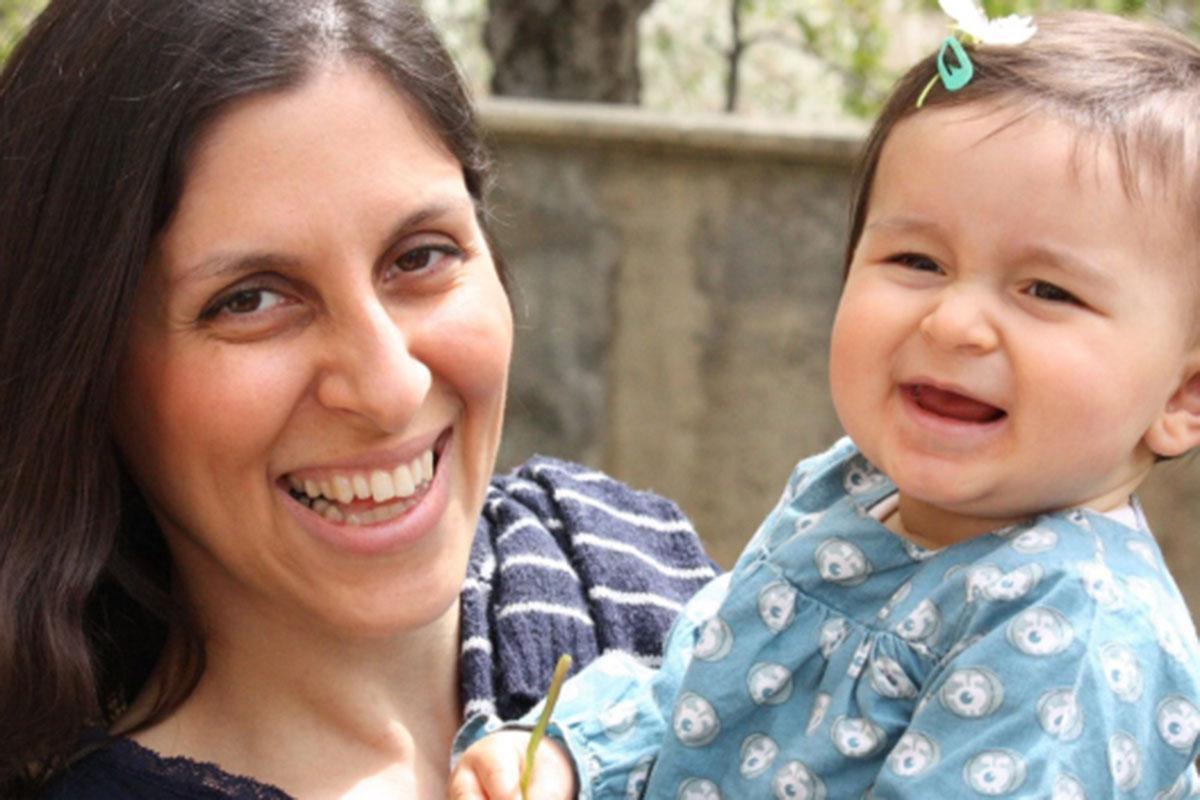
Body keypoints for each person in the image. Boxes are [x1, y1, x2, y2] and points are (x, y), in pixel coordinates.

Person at [451, 9, 1200, 799]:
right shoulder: (847, 489)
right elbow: (703, 687)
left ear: (1184, 395)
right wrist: (574, 756)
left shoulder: (1072, 627)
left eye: (1047, 290)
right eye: (917, 259)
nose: (952, 323)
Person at [0, 1, 720, 797]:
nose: (390, 386)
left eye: (421, 255)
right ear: (87, 369)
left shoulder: (625, 559)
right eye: (250, 301)